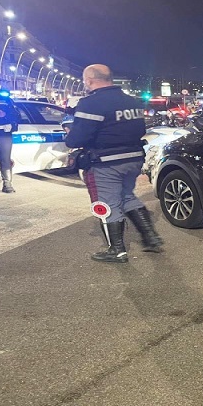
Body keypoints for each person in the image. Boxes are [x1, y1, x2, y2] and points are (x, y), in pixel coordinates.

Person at [65, 64, 163, 263]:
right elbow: (140, 130)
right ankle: (150, 237)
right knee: (126, 196)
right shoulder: (132, 101)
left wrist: (70, 136)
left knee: (107, 204)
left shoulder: (90, 103)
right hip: (133, 159)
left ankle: (116, 250)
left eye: (85, 80)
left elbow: (77, 138)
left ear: (90, 80)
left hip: (105, 162)